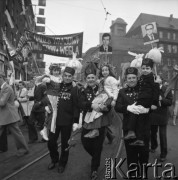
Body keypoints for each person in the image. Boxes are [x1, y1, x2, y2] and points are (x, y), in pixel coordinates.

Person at [79, 62, 115, 180]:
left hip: (101, 122)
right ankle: (96, 156)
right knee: (85, 142)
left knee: (98, 146)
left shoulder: (103, 89)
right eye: (88, 78)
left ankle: (94, 168)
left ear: (96, 78)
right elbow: (81, 103)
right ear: (86, 79)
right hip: (87, 121)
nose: (90, 80)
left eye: (92, 78)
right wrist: (91, 105)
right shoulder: (83, 91)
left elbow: (110, 101)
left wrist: (106, 108)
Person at [115, 67, 151, 178]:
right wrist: (128, 108)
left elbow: (153, 103)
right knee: (131, 156)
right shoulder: (122, 92)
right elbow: (117, 107)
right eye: (129, 78)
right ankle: (133, 175)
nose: (131, 80)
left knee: (144, 155)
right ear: (126, 79)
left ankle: (143, 173)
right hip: (129, 129)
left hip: (143, 128)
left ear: (137, 78)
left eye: (133, 77)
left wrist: (148, 108)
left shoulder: (144, 90)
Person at [47, 66, 80, 174]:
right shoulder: (57, 86)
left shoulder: (75, 89)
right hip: (55, 121)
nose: (67, 78)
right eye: (65, 75)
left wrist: (75, 121)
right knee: (51, 142)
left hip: (67, 121)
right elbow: (48, 95)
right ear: (62, 76)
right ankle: (54, 158)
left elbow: (76, 106)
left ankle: (62, 163)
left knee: (65, 145)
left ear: (72, 77)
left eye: (69, 76)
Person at [123, 58, 159, 146]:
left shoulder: (153, 78)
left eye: (147, 68)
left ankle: (131, 132)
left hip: (147, 100)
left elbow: (156, 91)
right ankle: (139, 138)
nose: (145, 70)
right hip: (141, 99)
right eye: (143, 68)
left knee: (133, 111)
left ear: (151, 69)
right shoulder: (142, 77)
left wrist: (154, 103)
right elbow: (138, 84)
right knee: (139, 118)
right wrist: (128, 84)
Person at [83, 63, 118, 138]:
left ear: (109, 71)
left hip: (108, 97)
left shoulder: (111, 79)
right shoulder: (102, 79)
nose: (104, 72)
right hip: (102, 96)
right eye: (103, 70)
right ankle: (105, 134)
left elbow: (115, 89)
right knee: (97, 111)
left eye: (106, 70)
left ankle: (95, 130)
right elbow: (100, 88)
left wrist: (114, 99)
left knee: (98, 111)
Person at [0, 71, 29, 156]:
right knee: (17, 133)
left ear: (1, 78)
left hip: (8, 115)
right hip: (5, 116)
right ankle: (23, 149)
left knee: (17, 133)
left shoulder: (7, 88)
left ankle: (23, 149)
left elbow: (2, 102)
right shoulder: (4, 87)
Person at [150, 76, 173, 162]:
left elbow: (170, 102)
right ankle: (153, 146)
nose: (155, 80)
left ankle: (163, 153)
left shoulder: (167, 89)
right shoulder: (151, 89)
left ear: (160, 80)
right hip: (153, 115)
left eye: (157, 78)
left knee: (162, 135)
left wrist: (162, 99)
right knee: (152, 133)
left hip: (163, 115)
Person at [40, 64, 62, 141]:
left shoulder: (60, 78)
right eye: (54, 70)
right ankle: (46, 129)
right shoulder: (49, 78)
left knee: (54, 114)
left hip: (57, 98)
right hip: (50, 97)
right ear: (51, 71)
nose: (56, 72)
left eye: (57, 70)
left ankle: (50, 129)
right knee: (53, 113)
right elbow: (42, 80)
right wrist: (45, 77)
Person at [27, 76, 47, 144]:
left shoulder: (43, 86)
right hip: (35, 107)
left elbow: (46, 96)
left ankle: (45, 137)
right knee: (30, 122)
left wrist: (40, 103)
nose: (35, 78)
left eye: (36, 78)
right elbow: (38, 96)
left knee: (41, 124)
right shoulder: (36, 86)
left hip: (40, 108)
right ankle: (33, 138)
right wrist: (32, 98)